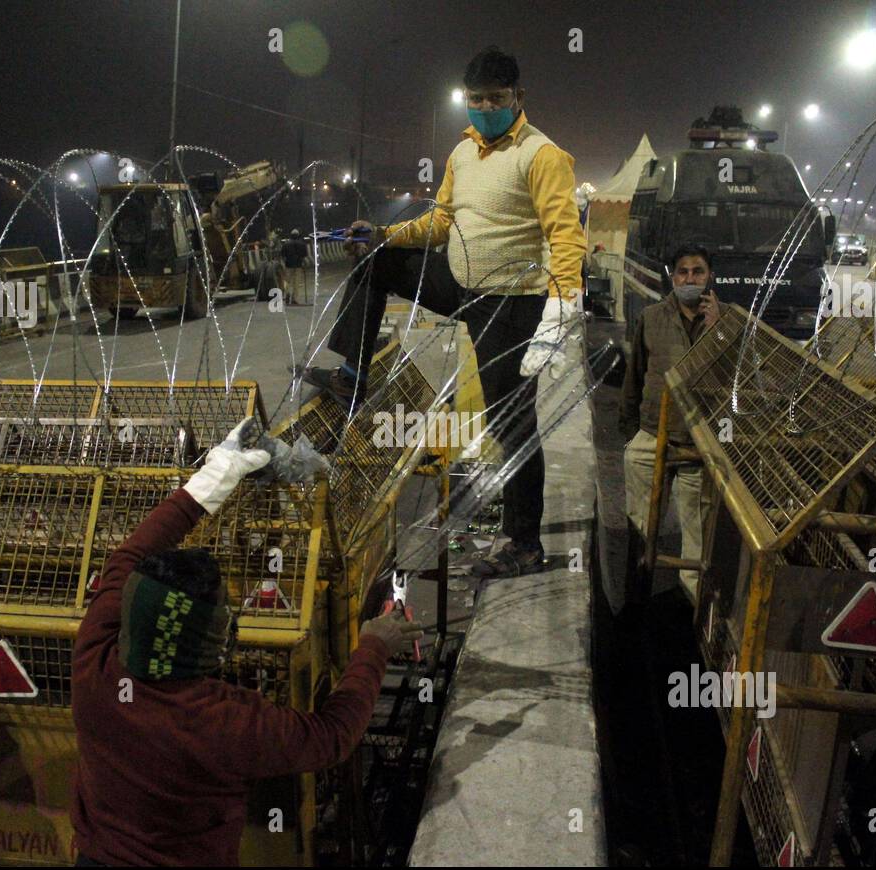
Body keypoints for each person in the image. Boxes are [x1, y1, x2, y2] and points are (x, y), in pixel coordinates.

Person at [70, 418, 416, 866]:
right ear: (214, 639)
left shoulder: (94, 660)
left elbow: (129, 556)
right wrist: (374, 645)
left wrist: (219, 473)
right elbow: (331, 737)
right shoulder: (224, 722)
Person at [301, 46, 587, 579]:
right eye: (475, 99)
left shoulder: (542, 155)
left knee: (512, 420)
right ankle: (354, 375)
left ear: (518, 98)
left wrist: (563, 304)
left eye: (495, 98)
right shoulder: (462, 154)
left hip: (508, 301)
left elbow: (566, 235)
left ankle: (525, 542)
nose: (483, 107)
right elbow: (440, 223)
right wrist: (385, 235)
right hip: (459, 281)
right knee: (376, 263)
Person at [619, 244, 732, 603]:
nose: (690, 279)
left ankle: (691, 610)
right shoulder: (652, 318)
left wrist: (716, 329)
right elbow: (634, 374)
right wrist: (630, 428)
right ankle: (637, 590)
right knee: (639, 523)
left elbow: (734, 377)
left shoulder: (728, 320)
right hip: (653, 433)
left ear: (709, 276)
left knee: (696, 531)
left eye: (698, 272)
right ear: (672, 276)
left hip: (698, 439)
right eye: (683, 272)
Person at [281, 228, 310, 305]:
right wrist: (304, 264)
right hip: (298, 265)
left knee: (287, 281)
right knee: (296, 283)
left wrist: (285, 263)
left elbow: (283, 256)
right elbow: (304, 256)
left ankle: (287, 293)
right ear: (298, 235)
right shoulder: (302, 244)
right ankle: (295, 299)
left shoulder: (286, 244)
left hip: (288, 265)